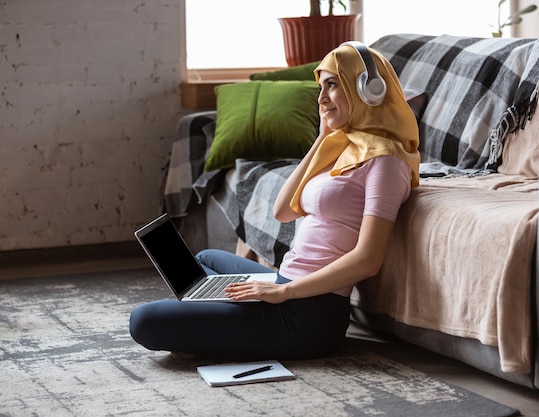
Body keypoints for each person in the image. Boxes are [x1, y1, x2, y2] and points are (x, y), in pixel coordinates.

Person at [129, 41, 421, 360]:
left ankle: (221, 318)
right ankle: (218, 310)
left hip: (308, 315)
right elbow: (282, 210)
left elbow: (368, 258)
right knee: (207, 258)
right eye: (320, 87)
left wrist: (282, 292)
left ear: (368, 90)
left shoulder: (386, 162)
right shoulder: (344, 148)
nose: (321, 98)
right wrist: (323, 138)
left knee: (143, 320)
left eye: (332, 85)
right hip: (287, 284)